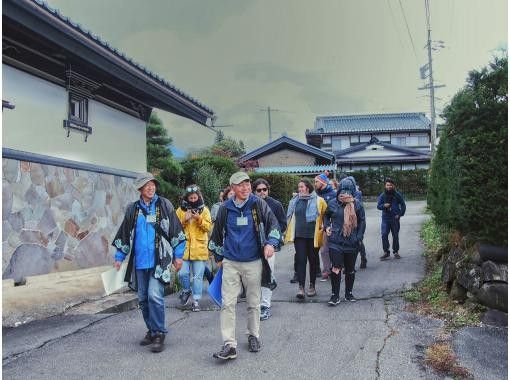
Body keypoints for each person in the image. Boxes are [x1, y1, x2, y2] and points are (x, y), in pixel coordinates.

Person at [209, 172, 281, 360]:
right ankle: (229, 344)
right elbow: (216, 235)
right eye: (241, 185)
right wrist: (218, 257)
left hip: (253, 261)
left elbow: (273, 224)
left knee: (253, 303)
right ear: (232, 188)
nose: (245, 188)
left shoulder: (257, 204)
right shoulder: (225, 208)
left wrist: (270, 243)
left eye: (247, 184)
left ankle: (253, 335)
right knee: (228, 304)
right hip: (231, 262)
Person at [112, 173, 185, 353]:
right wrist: (119, 257)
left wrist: (178, 255)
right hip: (140, 262)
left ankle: (160, 332)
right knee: (143, 300)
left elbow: (176, 230)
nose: (151, 187)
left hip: (160, 260)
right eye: (146, 185)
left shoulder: (164, 205)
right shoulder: (133, 209)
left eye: (153, 184)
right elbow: (125, 234)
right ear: (140, 189)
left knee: (154, 295)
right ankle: (152, 330)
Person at [324, 177, 366, 304]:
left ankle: (349, 293)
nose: (345, 193)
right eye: (343, 190)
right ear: (338, 190)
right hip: (335, 241)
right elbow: (326, 216)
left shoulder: (357, 204)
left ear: (353, 191)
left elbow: (362, 221)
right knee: (336, 267)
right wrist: (326, 227)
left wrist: (358, 237)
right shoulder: (332, 203)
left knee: (350, 269)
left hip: (352, 241)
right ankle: (335, 295)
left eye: (348, 190)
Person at [285, 178, 327, 299]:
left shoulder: (319, 200)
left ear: (307, 188)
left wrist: (324, 226)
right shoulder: (295, 200)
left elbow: (325, 214)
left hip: (313, 236)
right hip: (299, 236)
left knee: (313, 261)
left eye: (301, 187)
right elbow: (290, 216)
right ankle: (301, 288)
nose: (299, 189)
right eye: (298, 187)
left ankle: (312, 286)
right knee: (301, 261)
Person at [252, 178, 287, 321]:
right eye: (258, 190)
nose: (262, 192)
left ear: (268, 190)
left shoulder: (276, 205)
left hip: (269, 246)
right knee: (254, 277)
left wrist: (272, 239)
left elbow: (283, 224)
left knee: (266, 274)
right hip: (252, 246)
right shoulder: (250, 204)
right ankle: (255, 303)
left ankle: (265, 306)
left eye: (264, 189)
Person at [176, 185, 212, 312]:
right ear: (187, 198)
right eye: (190, 198)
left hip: (199, 248)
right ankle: (186, 291)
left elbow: (208, 228)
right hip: (183, 248)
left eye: (195, 197)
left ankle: (196, 300)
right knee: (182, 273)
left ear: (199, 197)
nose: (192, 200)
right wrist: (183, 221)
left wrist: (199, 219)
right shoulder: (180, 210)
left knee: (197, 276)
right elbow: (174, 229)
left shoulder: (205, 210)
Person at [314, 172, 337, 282]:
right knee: (321, 250)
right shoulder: (315, 195)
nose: (314, 184)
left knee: (330, 250)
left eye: (316, 181)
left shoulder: (333, 194)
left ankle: (333, 271)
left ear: (322, 182)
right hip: (319, 227)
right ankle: (327, 270)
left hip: (331, 226)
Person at [377, 178, 406, 260]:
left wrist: (400, 214)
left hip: (395, 218)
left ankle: (396, 252)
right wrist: (383, 206)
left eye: (390, 185)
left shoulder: (397, 195)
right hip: (385, 219)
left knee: (395, 236)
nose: (389, 186)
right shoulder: (382, 195)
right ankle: (386, 252)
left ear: (393, 186)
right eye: (387, 185)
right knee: (384, 234)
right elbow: (378, 206)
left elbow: (403, 205)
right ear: (385, 186)